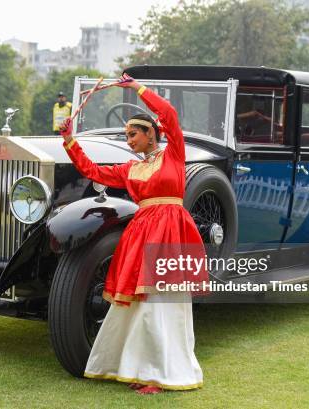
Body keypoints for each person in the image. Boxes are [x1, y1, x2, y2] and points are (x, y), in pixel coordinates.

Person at [59, 73, 209, 394]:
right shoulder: (130, 169)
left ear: (150, 134)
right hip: (141, 231)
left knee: (161, 301)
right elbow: (93, 171)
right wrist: (70, 141)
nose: (129, 141)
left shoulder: (174, 154)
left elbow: (168, 114)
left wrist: (137, 88)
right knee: (139, 302)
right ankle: (138, 368)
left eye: (133, 134)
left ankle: (160, 374)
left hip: (170, 229)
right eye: (127, 136)